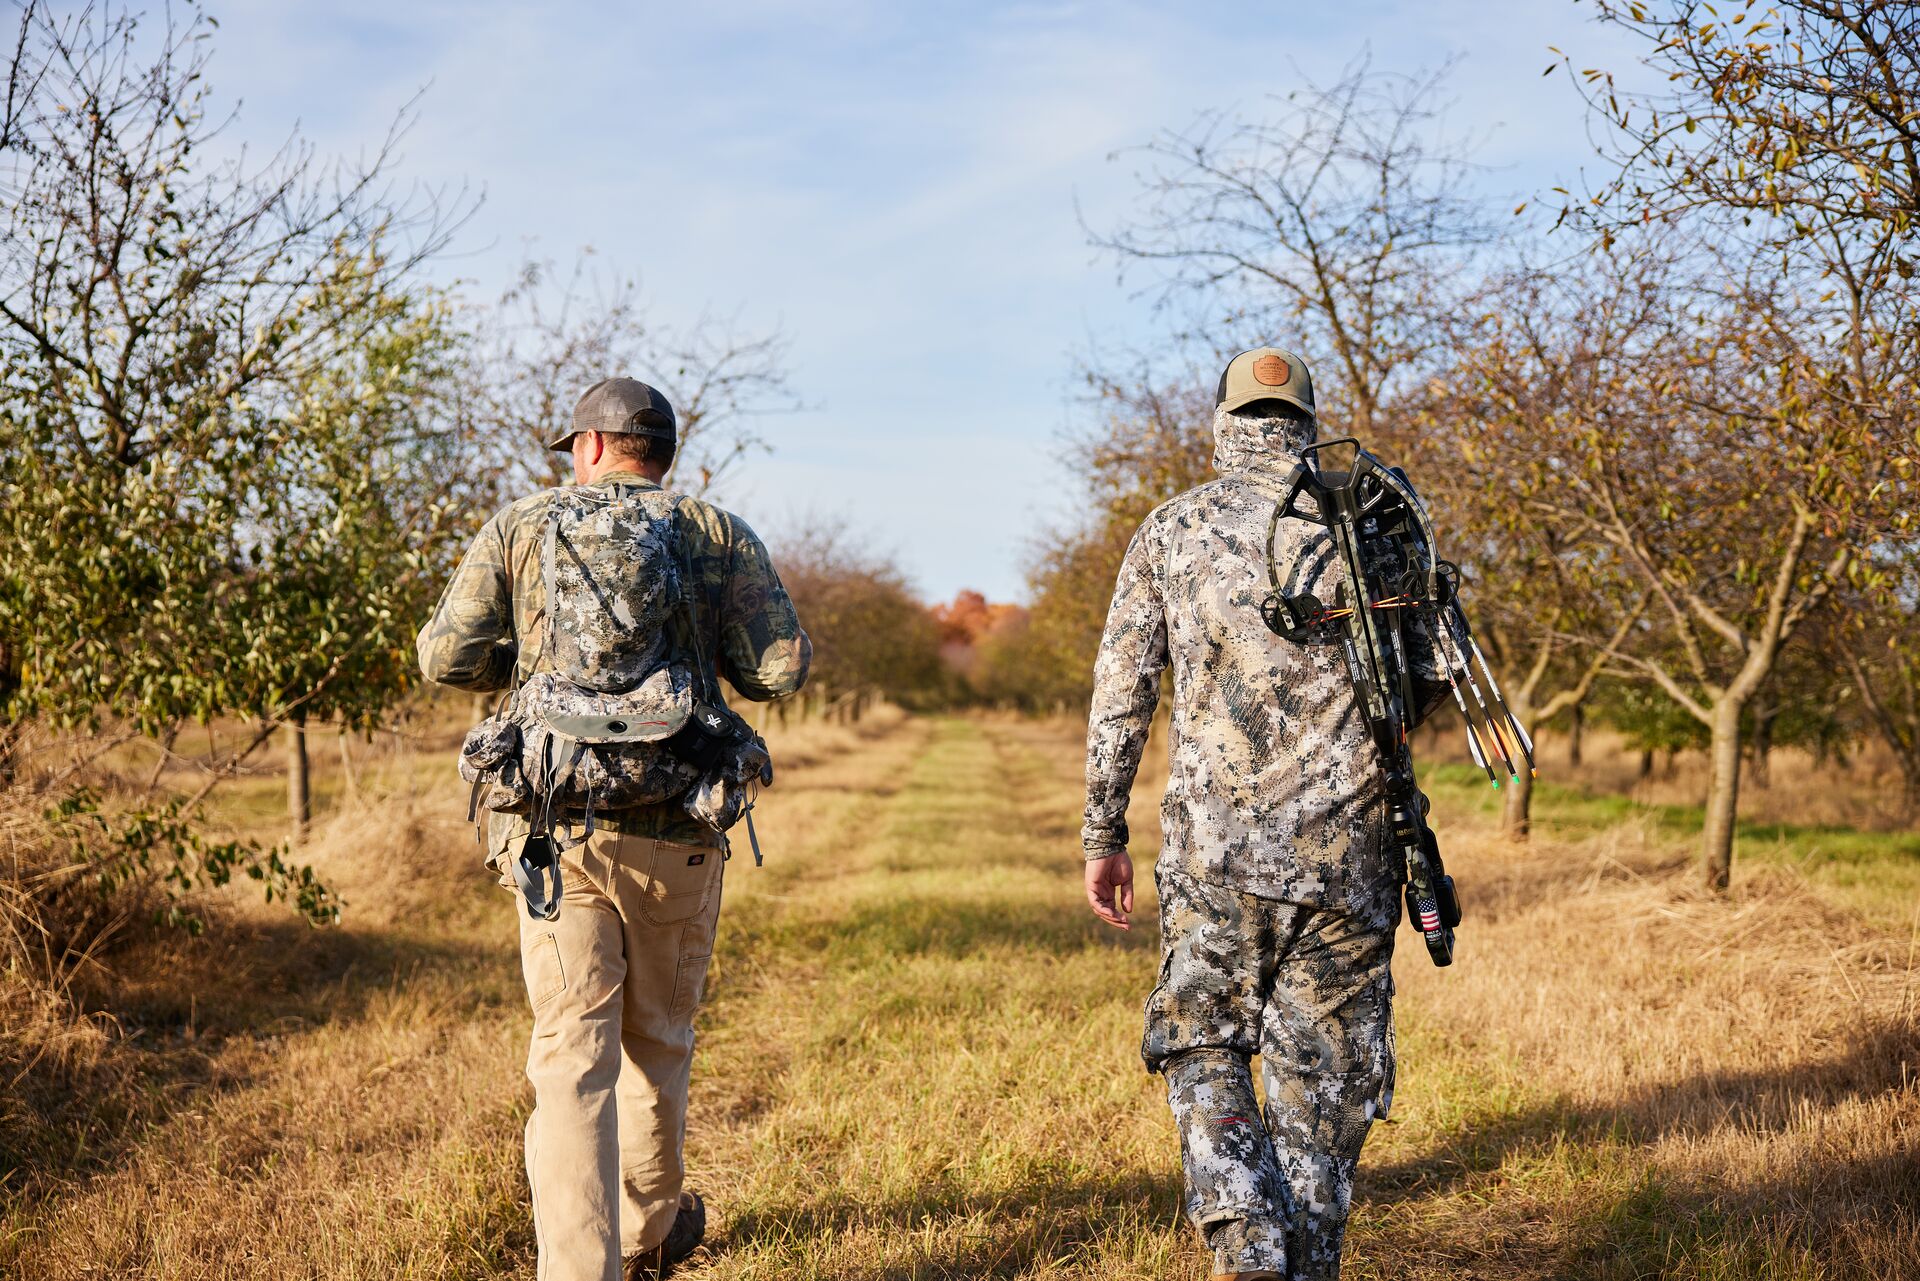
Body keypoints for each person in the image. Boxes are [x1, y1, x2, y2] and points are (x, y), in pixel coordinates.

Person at [417, 376, 811, 1281]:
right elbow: (782, 670)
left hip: (557, 834)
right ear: (663, 453)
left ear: (589, 447)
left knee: (569, 1062)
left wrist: (527, 652)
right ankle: (645, 1238)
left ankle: (576, 1271)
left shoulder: (521, 526)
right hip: (680, 826)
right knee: (659, 1044)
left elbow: (444, 657)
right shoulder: (714, 533)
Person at [1080, 348, 1443, 1281]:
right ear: (1310, 420)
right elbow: (1434, 671)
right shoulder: (1378, 523)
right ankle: (1305, 1262)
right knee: (1325, 1087)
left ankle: (1245, 1239)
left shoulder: (1171, 529)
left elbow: (1122, 691)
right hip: (1355, 857)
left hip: (1214, 860)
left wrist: (1103, 833)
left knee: (1204, 1041)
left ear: (1223, 422)